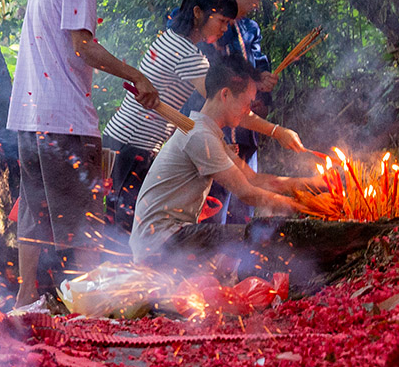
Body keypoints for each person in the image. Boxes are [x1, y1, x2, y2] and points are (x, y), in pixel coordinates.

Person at [6, 0, 160, 308]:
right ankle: (87, 305)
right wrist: (136, 74)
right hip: (65, 120)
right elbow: (83, 46)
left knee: (35, 209)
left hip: (31, 115)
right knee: (86, 221)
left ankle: (27, 296)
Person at [103, 0, 305, 232]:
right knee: (124, 229)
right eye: (221, 20)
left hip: (125, 142)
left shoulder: (172, 40)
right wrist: (276, 131)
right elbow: (227, 103)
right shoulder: (186, 53)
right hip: (133, 146)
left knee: (120, 226)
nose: (224, 29)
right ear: (198, 13)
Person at [129, 55, 318, 265]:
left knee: (248, 241)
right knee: (256, 239)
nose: (250, 111)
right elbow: (247, 193)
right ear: (226, 94)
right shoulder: (199, 135)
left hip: (174, 236)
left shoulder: (208, 132)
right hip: (161, 241)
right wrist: (306, 207)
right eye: (248, 102)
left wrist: (313, 185)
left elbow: (252, 180)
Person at [185, 0, 277, 224]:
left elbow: (254, 65)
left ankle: (238, 268)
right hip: (214, 138)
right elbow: (214, 72)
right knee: (212, 218)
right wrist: (234, 12)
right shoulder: (196, 19)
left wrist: (262, 83)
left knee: (244, 216)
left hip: (246, 135)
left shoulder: (248, 27)